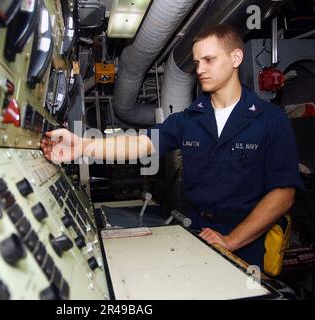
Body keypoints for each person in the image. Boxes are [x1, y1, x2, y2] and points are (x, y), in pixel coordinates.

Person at [40, 24, 303, 269]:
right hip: (195, 234)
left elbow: (283, 194)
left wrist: (232, 240)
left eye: (209, 60)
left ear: (235, 58)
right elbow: (140, 143)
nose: (200, 69)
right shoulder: (188, 120)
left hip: (245, 246)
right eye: (197, 62)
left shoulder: (270, 120)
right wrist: (84, 146)